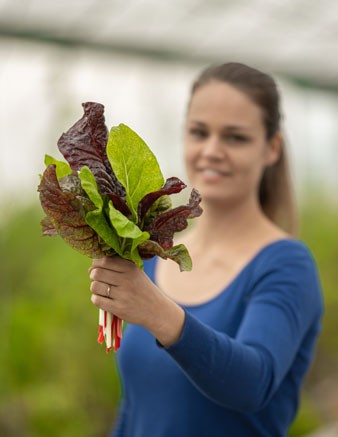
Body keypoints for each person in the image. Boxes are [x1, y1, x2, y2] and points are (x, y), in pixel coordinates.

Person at [89, 62, 323, 437]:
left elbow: (253, 383)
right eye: (199, 132)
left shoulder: (286, 264)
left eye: (235, 137)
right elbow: (136, 408)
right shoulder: (152, 258)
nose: (212, 150)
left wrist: (158, 312)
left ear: (271, 147)